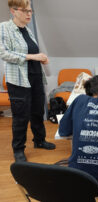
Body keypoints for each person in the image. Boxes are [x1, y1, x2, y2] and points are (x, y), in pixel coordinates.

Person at [0, 0, 55, 162]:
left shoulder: (28, 31)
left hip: (36, 76)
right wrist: (32, 56)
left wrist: (42, 59)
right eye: (25, 11)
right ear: (13, 11)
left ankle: (39, 140)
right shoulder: (4, 28)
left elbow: (32, 53)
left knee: (37, 112)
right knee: (21, 116)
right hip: (18, 80)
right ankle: (18, 149)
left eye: (30, 11)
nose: (29, 14)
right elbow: (4, 53)